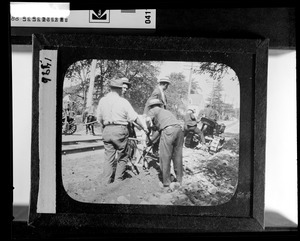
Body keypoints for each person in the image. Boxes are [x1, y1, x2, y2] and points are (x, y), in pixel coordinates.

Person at [96, 78, 148, 184]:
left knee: (108, 158)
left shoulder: (102, 101)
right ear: (119, 89)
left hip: (107, 129)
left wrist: (105, 128)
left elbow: (99, 119)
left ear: (110, 89)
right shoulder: (123, 101)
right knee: (123, 155)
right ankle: (118, 181)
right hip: (120, 130)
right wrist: (144, 127)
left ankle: (106, 181)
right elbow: (134, 117)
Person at [145, 99, 184, 190]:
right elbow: (160, 130)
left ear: (151, 106)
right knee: (177, 156)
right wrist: (152, 140)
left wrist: (148, 131)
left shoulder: (152, 111)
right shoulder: (166, 112)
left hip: (169, 132)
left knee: (165, 157)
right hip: (179, 131)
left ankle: (166, 183)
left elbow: (148, 121)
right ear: (159, 105)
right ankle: (179, 180)